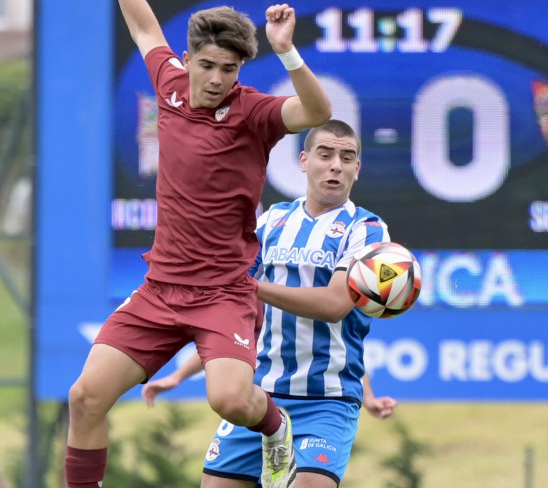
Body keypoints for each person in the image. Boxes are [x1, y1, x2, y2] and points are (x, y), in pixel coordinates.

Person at [65, 0, 332, 488]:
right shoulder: (168, 84)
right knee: (85, 397)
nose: (216, 78)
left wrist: (287, 52)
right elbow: (143, 28)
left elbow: (317, 113)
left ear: (241, 70)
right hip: (161, 288)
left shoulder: (255, 112)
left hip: (222, 293)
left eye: (228, 69)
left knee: (232, 401)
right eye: (207, 65)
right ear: (188, 60)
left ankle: (278, 428)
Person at [142, 119, 397, 488]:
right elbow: (237, 318)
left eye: (347, 157)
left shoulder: (368, 230)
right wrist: (180, 375)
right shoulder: (274, 220)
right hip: (259, 397)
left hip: (325, 402)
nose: (336, 165)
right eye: (325, 155)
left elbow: (335, 307)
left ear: (357, 169)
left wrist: (251, 287)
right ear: (304, 161)